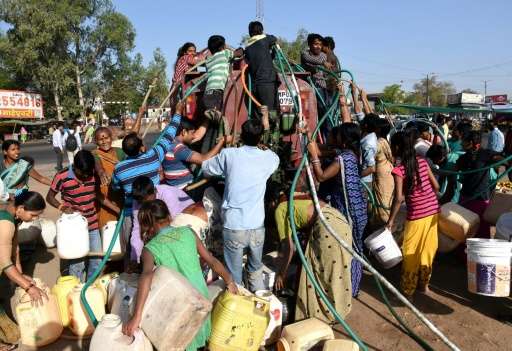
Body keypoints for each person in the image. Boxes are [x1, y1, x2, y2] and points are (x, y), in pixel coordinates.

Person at [122, 200, 238, 350]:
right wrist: (230, 281)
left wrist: (136, 317)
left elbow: (146, 277)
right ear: (168, 216)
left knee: (182, 342)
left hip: (180, 306)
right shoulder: (188, 232)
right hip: (202, 300)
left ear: (149, 224)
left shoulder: (151, 248)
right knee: (201, 342)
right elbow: (211, 260)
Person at [201, 119, 279, 292]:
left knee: (234, 278)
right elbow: (275, 159)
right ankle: (259, 306)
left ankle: (239, 312)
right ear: (260, 138)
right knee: (255, 271)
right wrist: (263, 147)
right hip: (257, 227)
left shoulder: (229, 155)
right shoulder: (268, 158)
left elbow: (206, 167)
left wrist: (226, 145)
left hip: (235, 226)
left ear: (241, 135)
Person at [112, 102, 183, 258]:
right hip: (154, 213)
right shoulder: (153, 157)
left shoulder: (119, 169)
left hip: (131, 215)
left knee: (132, 252)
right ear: (142, 148)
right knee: (160, 252)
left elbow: (115, 187)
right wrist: (177, 113)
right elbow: (168, 135)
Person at [307, 123, 367, 297]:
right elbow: (324, 150)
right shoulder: (353, 154)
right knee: (355, 247)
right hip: (358, 208)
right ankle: (353, 286)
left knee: (351, 249)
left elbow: (322, 176)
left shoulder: (343, 158)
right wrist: (309, 137)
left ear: (344, 139)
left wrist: (313, 156)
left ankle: (351, 289)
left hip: (351, 210)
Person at [387, 129, 440, 298]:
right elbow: (436, 187)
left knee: (410, 252)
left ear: (396, 147)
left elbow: (398, 198)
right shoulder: (423, 162)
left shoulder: (399, 170)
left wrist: (390, 221)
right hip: (432, 212)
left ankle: (407, 290)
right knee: (427, 249)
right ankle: (424, 286)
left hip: (417, 214)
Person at [47, 151, 111, 281]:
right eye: (83, 174)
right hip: (74, 226)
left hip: (92, 223)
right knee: (77, 262)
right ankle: (76, 288)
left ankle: (90, 286)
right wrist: (62, 207)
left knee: (97, 259)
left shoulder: (93, 173)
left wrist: (116, 209)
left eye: (88, 174)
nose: (86, 176)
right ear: (74, 166)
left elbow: (98, 194)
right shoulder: (62, 176)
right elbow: (49, 197)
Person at [0, 191, 47, 349]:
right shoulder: (6, 223)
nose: (35, 219)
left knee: (14, 332)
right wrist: (28, 287)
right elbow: (5, 262)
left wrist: (20, 274)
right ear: (20, 208)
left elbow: (15, 248)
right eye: (33, 215)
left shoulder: (14, 216)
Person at [295, 204, 353, 324]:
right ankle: (339, 311)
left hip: (326, 228)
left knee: (321, 273)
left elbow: (288, 248)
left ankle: (321, 315)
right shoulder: (307, 197)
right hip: (341, 222)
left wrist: (281, 273)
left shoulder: (281, 209)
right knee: (337, 273)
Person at [130, 176, 194, 263]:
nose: (143, 205)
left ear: (154, 192)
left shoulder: (167, 194)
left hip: (188, 220)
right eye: (141, 203)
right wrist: (134, 258)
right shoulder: (137, 202)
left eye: (146, 202)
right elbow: (137, 230)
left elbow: (174, 222)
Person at [195, 35, 242, 143]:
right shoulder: (224, 54)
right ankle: (221, 140)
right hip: (216, 93)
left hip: (207, 94)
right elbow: (238, 53)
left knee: (212, 122)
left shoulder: (209, 60)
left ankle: (215, 140)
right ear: (222, 47)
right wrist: (241, 50)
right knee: (219, 121)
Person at [162, 118, 231, 190]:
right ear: (184, 132)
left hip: (174, 187)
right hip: (185, 189)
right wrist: (222, 141)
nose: (194, 136)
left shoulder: (168, 143)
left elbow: (197, 136)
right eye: (192, 133)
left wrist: (206, 120)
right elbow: (204, 159)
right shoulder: (178, 149)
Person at [456, 131, 502, 238]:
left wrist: (503, 161)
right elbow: (457, 167)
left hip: (480, 198)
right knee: (464, 226)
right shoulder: (465, 156)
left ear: (472, 142)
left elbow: (499, 159)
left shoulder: (485, 154)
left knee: (480, 229)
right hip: (466, 196)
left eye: (464, 141)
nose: (461, 144)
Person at [244, 21, 278, 118]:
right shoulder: (264, 39)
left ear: (250, 32)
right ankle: (269, 131)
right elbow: (274, 38)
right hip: (267, 81)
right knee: (269, 111)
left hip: (255, 84)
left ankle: (260, 130)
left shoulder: (247, 46)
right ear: (261, 31)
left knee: (259, 112)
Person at [91, 127, 124, 228]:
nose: (104, 141)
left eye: (106, 138)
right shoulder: (95, 154)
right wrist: (101, 171)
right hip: (104, 200)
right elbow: (97, 162)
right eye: (101, 139)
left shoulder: (120, 152)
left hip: (121, 197)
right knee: (108, 233)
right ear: (96, 141)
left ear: (111, 138)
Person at [370, 118, 394, 228]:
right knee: (386, 196)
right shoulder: (385, 140)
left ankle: (384, 223)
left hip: (381, 172)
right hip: (387, 170)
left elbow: (370, 157)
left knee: (383, 197)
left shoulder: (378, 143)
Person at [360, 113, 379, 189]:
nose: (361, 122)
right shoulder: (370, 134)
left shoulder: (368, 144)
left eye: (363, 121)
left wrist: (355, 176)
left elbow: (372, 168)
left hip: (364, 181)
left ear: (366, 125)